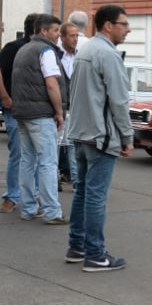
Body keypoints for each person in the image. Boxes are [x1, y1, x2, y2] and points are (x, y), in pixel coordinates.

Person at [65, 5, 134, 271]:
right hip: (100, 136)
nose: (127, 29)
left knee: (83, 192)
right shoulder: (107, 53)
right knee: (95, 196)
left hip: (81, 133)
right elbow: (118, 100)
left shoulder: (86, 49)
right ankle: (95, 254)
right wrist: (127, 136)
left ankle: (78, 246)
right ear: (108, 25)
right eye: (124, 24)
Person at [11, 14, 68, 224]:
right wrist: (59, 112)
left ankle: (29, 208)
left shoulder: (23, 49)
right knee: (48, 163)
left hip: (22, 113)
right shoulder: (45, 50)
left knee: (27, 161)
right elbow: (52, 83)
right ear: (44, 31)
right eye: (55, 31)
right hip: (41, 114)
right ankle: (52, 212)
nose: (58, 37)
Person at [0, 13, 39, 214]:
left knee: (37, 157)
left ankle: (34, 196)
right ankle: (12, 196)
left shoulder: (45, 49)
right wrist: (4, 96)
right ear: (37, 30)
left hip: (38, 111)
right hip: (15, 111)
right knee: (18, 154)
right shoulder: (15, 47)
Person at [58, 22, 80, 189]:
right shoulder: (56, 56)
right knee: (57, 146)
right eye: (72, 35)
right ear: (62, 37)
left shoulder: (80, 57)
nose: (75, 39)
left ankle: (76, 181)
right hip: (59, 108)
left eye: (77, 35)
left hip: (76, 108)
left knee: (73, 145)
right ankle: (54, 179)